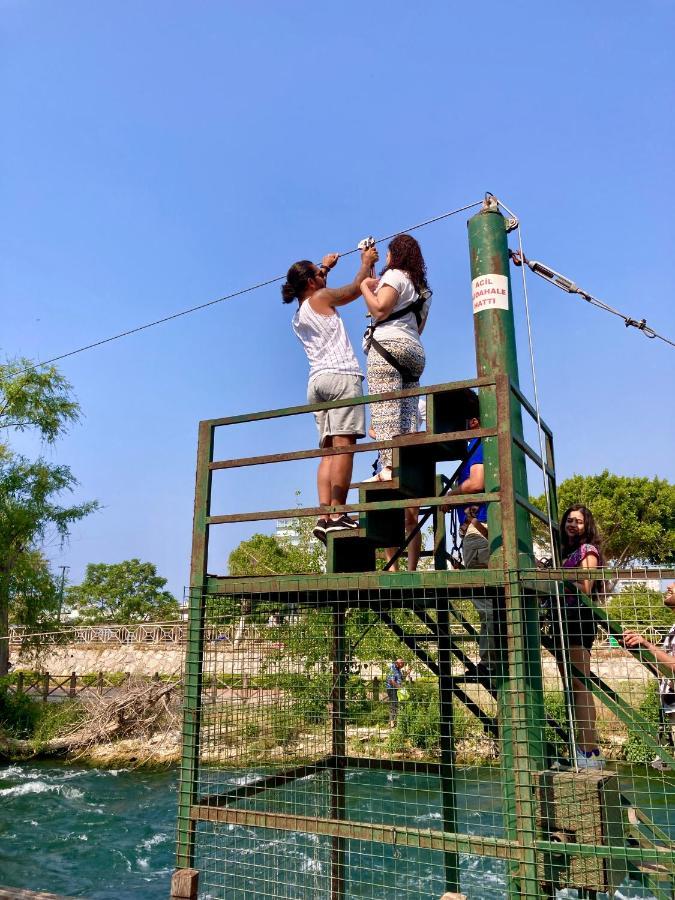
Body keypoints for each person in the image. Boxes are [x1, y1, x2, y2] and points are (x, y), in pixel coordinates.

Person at [282, 246, 379, 542]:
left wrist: (324, 267)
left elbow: (316, 284)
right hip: (341, 376)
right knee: (344, 446)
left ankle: (324, 515)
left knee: (327, 452)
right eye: (317, 274)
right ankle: (339, 513)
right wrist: (366, 262)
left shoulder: (299, 314)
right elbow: (353, 290)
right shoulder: (321, 297)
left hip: (316, 382)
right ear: (311, 282)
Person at [360, 234, 432, 483]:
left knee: (384, 408)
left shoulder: (394, 275)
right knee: (408, 414)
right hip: (414, 351)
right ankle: (407, 468)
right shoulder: (423, 290)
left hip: (387, 347)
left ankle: (388, 469)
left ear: (395, 255)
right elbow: (418, 328)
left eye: (389, 253)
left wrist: (363, 288)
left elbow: (379, 309)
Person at [441, 413, 496, 676]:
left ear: (473, 421)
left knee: (486, 605)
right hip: (481, 530)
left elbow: (477, 482)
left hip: (479, 533)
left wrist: (451, 495)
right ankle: (493, 662)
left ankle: (490, 664)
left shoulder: (478, 442)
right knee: (490, 604)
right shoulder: (488, 443)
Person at [556, 504, 605, 769]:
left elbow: (585, 585)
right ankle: (583, 746)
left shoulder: (588, 551)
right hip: (563, 618)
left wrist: (556, 577)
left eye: (579, 521)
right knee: (572, 683)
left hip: (578, 617)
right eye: (569, 520)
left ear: (587, 526)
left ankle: (589, 750)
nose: (573, 525)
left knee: (579, 683)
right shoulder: (566, 553)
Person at [622, 582, 675, 771]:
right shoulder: (673, 628)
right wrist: (637, 649)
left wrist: (646, 645)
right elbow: (665, 670)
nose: (669, 585)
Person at [385, 657, 406, 727]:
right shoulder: (392, 668)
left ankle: (392, 721)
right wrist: (400, 688)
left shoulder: (398, 669)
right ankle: (392, 722)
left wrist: (408, 672)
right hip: (392, 689)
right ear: (398, 663)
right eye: (402, 664)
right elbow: (391, 681)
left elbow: (401, 679)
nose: (403, 666)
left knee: (396, 704)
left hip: (396, 689)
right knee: (394, 704)